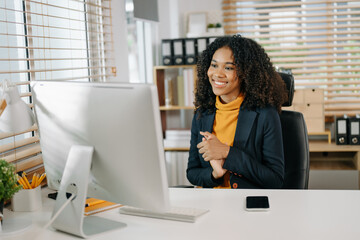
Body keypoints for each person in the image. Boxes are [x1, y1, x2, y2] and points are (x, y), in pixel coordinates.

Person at [186, 35, 288, 189]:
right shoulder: (202, 113)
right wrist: (215, 174)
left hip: (245, 204)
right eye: (214, 65)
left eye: (228, 67)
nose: (217, 74)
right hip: (209, 202)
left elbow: (274, 179)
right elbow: (192, 172)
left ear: (246, 73)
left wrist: (227, 153)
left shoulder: (265, 115)